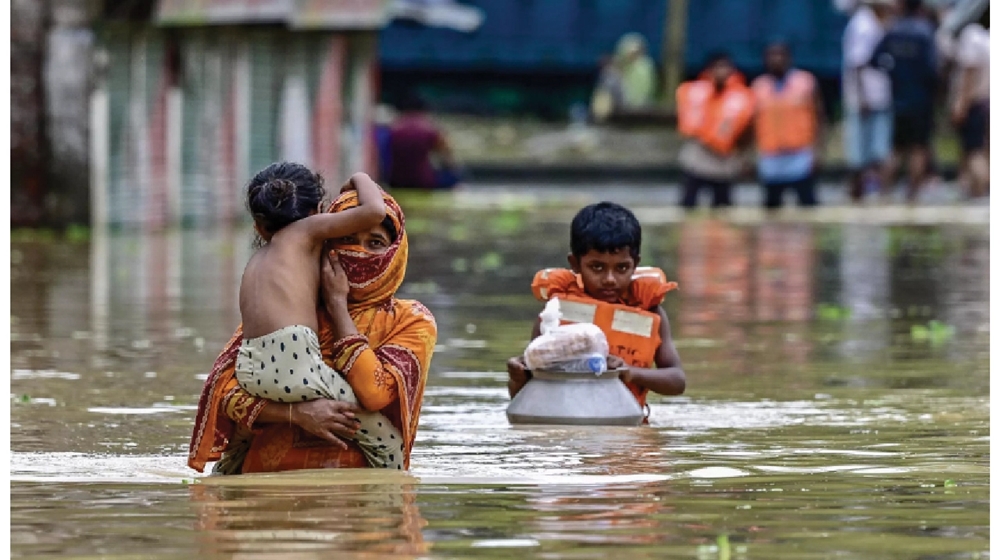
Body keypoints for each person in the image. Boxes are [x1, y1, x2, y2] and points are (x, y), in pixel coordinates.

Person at [188, 187, 438, 475]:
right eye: (347, 239)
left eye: (376, 243)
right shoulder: (290, 309)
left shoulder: (411, 320)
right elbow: (226, 393)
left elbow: (375, 394)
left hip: (359, 498)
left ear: (395, 252)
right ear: (326, 243)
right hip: (265, 490)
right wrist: (295, 414)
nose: (359, 252)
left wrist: (338, 308)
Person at [506, 202, 686, 422]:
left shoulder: (650, 312)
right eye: (597, 267)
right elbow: (527, 400)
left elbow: (677, 380)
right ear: (575, 264)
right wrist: (516, 378)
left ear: (635, 264)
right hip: (567, 435)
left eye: (621, 268)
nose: (610, 279)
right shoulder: (556, 314)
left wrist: (629, 372)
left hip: (627, 430)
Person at [870, 0, 940, 202]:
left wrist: (893, 72)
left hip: (898, 99)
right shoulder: (925, 33)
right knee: (919, 147)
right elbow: (932, 69)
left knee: (896, 148)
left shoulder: (893, 31)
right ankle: (912, 194)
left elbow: (874, 59)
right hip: (921, 100)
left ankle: (884, 192)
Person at [751, 41, 825, 209]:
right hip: (770, 157)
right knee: (771, 207)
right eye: (772, 56)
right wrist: (751, 155)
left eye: (781, 55)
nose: (777, 60)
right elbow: (753, 123)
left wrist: (819, 150)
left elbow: (819, 117)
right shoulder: (759, 86)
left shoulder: (805, 82)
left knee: (808, 205)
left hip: (799, 155)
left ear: (789, 58)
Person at [675, 52, 755, 209]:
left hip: (724, 159)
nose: (721, 72)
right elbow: (686, 121)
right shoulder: (694, 92)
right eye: (717, 67)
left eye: (725, 68)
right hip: (698, 155)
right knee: (688, 204)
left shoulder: (743, 97)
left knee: (723, 206)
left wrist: (743, 156)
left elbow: (748, 130)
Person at [842, 0, 896, 202]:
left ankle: (880, 194)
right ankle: (857, 194)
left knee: (879, 150)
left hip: (880, 96)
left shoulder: (879, 23)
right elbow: (856, 64)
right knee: (859, 152)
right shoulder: (862, 25)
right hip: (865, 98)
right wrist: (862, 97)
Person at [945, 4, 989, 200]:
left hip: (974, 102)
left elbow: (969, 74)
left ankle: (980, 195)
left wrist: (960, 103)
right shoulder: (987, 39)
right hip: (985, 101)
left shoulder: (971, 36)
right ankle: (974, 191)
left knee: (974, 152)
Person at [386, 93, 460, 190]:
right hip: (423, 180)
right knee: (455, 176)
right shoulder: (430, 128)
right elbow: (447, 158)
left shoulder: (393, 127)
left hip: (395, 180)